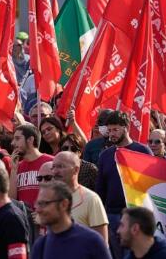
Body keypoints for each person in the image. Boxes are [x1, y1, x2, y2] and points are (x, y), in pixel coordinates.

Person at [95, 111, 152, 259]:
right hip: (112, 216)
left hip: (136, 215)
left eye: (115, 129)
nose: (111, 134)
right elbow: (100, 189)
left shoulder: (142, 151)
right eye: (109, 130)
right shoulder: (105, 155)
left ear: (126, 128)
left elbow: (150, 184)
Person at [31, 182, 111, 259]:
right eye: (38, 204)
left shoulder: (92, 241)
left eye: (44, 204)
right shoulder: (40, 246)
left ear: (64, 204)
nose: (38, 210)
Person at [52, 152, 108, 242]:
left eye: (60, 166)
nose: (55, 171)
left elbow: (102, 243)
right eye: (53, 167)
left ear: (76, 170)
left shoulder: (91, 199)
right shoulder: (49, 199)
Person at [9, 123, 54, 210]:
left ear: (30, 139)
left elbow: (62, 193)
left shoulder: (52, 162)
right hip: (24, 221)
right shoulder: (16, 166)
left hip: (47, 220)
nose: (12, 143)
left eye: (17, 139)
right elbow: (11, 201)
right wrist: (14, 170)